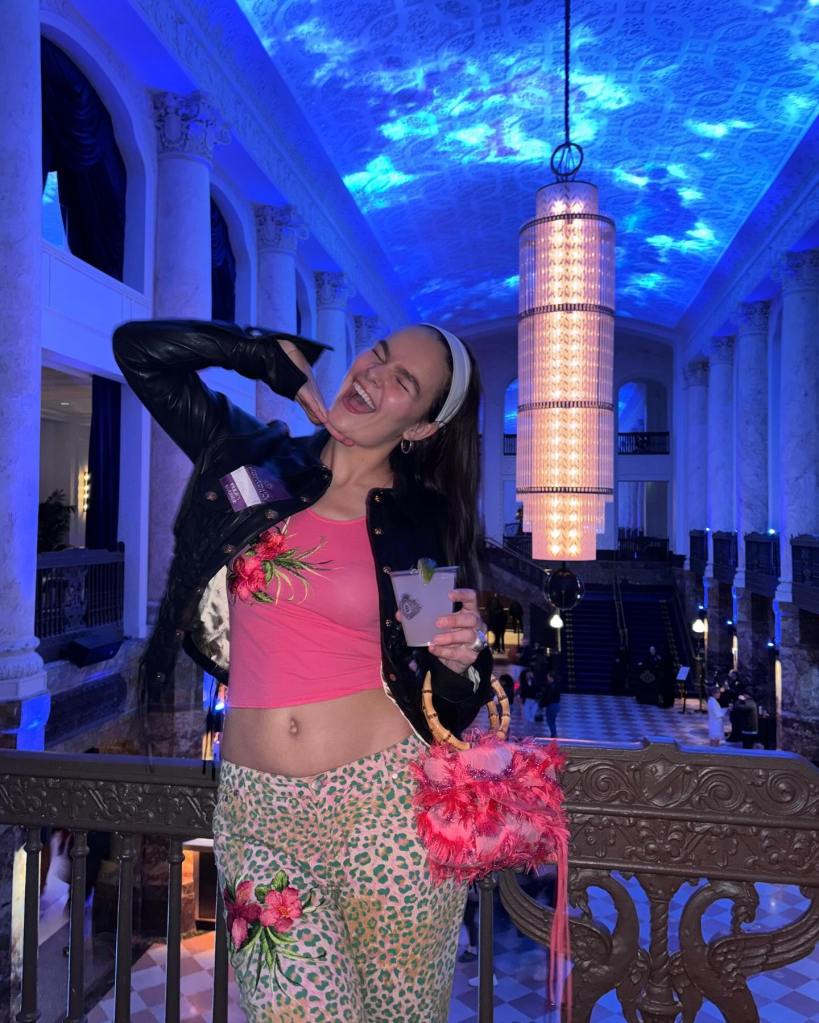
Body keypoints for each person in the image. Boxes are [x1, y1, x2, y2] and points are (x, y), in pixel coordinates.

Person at [113, 319, 493, 1023]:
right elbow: (140, 353)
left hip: (389, 813)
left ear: (418, 427)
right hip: (260, 816)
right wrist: (260, 357)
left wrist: (460, 658)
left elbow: (437, 684)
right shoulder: (255, 460)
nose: (375, 375)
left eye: (402, 381)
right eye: (377, 355)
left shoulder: (417, 522)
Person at [540, 669, 561, 739]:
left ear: (551, 678)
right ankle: (553, 734)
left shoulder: (552, 686)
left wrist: (542, 704)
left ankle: (554, 734)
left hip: (552, 705)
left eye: (548, 677)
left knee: (550, 720)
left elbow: (548, 697)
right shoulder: (555, 685)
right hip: (555, 705)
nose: (547, 678)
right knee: (552, 720)